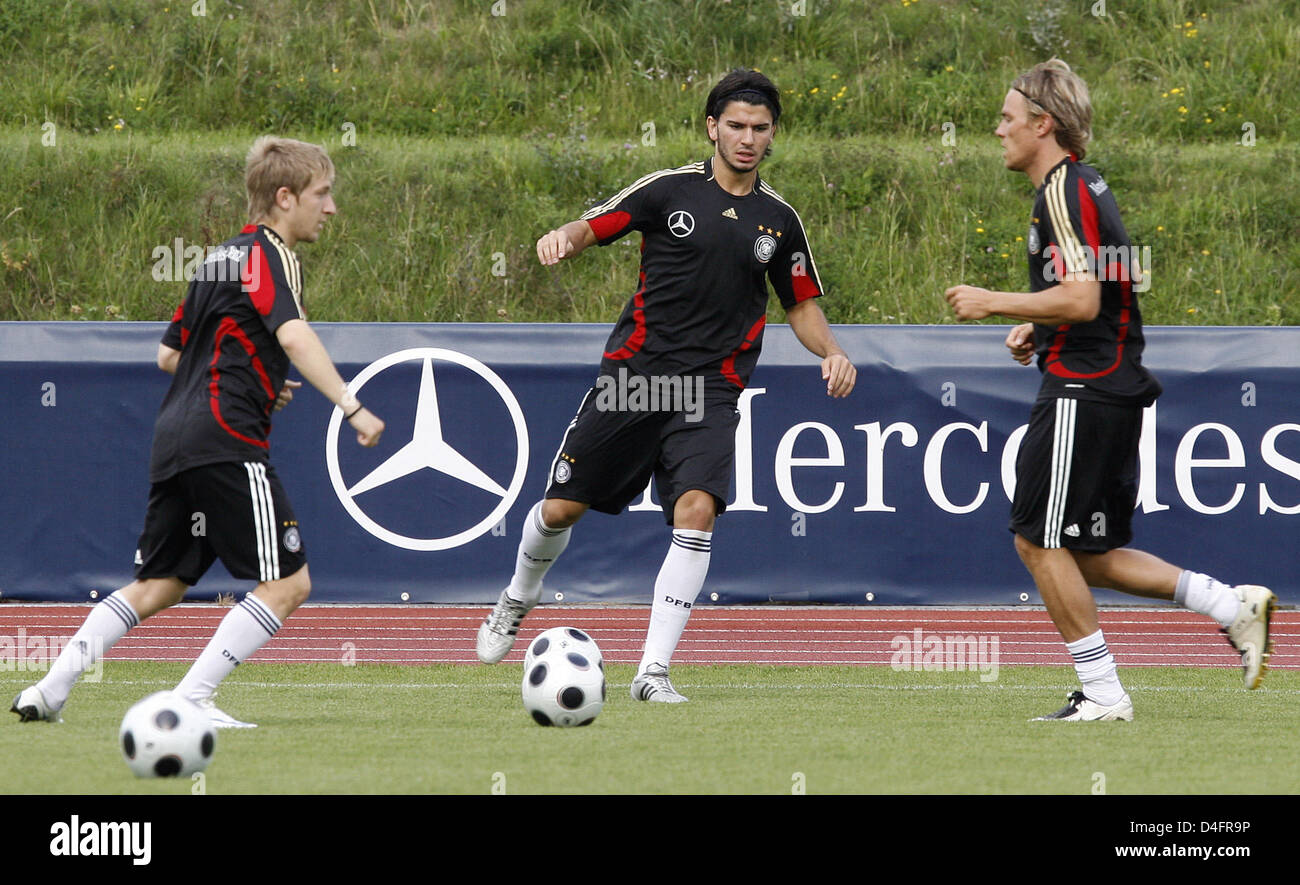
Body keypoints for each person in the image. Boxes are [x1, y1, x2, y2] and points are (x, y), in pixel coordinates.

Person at [476, 69, 857, 701]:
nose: (747, 138)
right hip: (637, 380)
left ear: (772, 136)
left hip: (712, 390)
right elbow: (593, 224)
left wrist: (833, 351)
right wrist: (561, 239)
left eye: (760, 129)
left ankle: (652, 672)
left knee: (697, 510)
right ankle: (518, 597)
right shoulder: (667, 191)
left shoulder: (780, 221)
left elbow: (800, 305)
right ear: (713, 127)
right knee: (560, 508)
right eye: (735, 125)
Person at [11, 136, 384, 728]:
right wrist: (350, 403)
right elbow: (292, 335)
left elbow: (169, 354)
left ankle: (50, 688)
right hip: (226, 439)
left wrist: (259, 377)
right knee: (289, 583)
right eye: (323, 193)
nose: (331, 208)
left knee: (159, 584)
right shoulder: (270, 254)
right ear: (284, 198)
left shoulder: (217, 259)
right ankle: (190, 700)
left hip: (175, 437)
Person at [945, 59, 1274, 721]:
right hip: (1105, 378)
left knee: (1037, 540)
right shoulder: (1080, 187)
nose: (998, 129)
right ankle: (1230, 604)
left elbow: (1083, 294)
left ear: (1044, 123)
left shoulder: (1063, 189)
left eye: (1009, 118)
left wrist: (998, 304)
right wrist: (1039, 328)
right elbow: (1104, 295)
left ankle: (1102, 692)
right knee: (1085, 551)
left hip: (1085, 387)